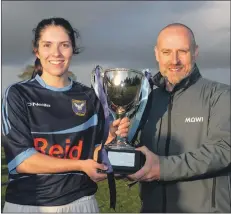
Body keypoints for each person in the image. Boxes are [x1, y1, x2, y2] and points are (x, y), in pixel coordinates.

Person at [1, 17, 129, 213]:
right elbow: (23, 161)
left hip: (81, 203)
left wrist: (111, 138)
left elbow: (93, 154)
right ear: (37, 50)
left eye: (64, 45)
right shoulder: (18, 94)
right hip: (29, 205)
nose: (56, 53)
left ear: (73, 49)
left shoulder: (88, 96)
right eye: (47, 45)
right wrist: (80, 165)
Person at [128, 23, 231, 213]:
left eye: (182, 51)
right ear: (157, 54)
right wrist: (119, 151)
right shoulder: (146, 100)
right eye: (167, 52)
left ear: (195, 52)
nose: (174, 60)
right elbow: (138, 151)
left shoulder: (221, 95)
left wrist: (162, 168)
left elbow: (223, 150)